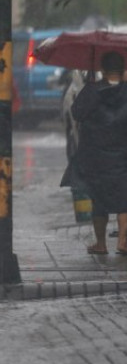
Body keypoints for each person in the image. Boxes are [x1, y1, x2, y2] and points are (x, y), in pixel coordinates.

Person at [71, 51, 127, 255]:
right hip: (122, 153)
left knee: (99, 200)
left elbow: (77, 113)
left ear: (103, 69)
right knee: (124, 200)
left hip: (95, 154)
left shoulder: (93, 89)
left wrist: (90, 88)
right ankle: (123, 241)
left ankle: (101, 243)